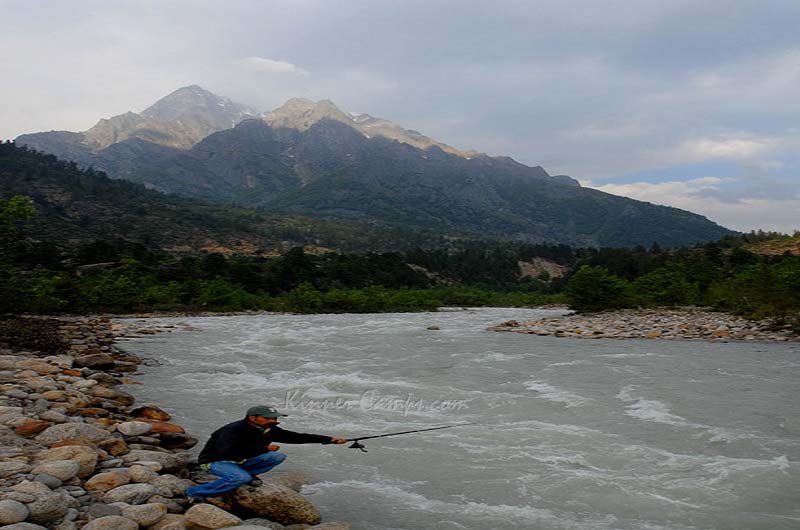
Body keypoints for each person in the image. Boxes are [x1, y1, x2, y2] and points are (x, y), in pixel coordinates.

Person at [186, 405, 347, 499]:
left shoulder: (268, 429)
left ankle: (245, 476)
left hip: (240, 460)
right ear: (253, 418)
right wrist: (263, 449)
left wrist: (329, 439)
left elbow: (297, 437)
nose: (274, 420)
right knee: (240, 477)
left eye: (275, 418)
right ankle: (194, 492)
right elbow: (227, 451)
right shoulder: (233, 430)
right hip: (216, 461)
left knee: (277, 456)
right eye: (268, 418)